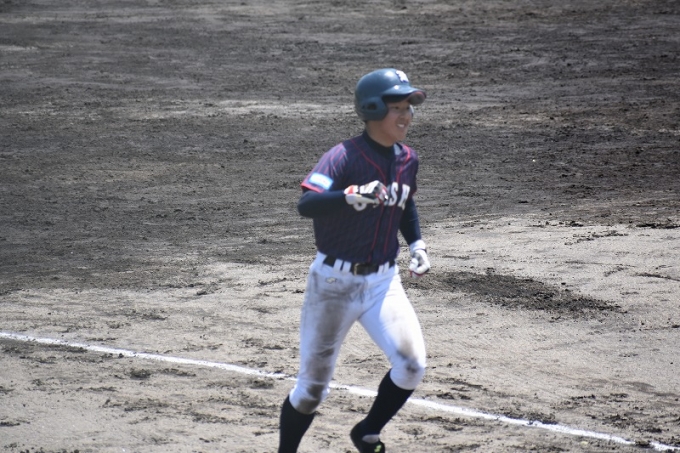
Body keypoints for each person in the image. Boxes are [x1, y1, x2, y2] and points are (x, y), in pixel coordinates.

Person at [278, 68, 431, 453]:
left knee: (412, 366)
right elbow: (307, 204)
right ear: (373, 109)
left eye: (409, 108)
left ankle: (367, 433)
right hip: (333, 285)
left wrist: (417, 244)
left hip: (383, 283)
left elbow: (404, 202)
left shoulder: (408, 159)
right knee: (311, 392)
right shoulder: (342, 157)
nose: (406, 116)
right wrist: (350, 195)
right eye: (397, 108)